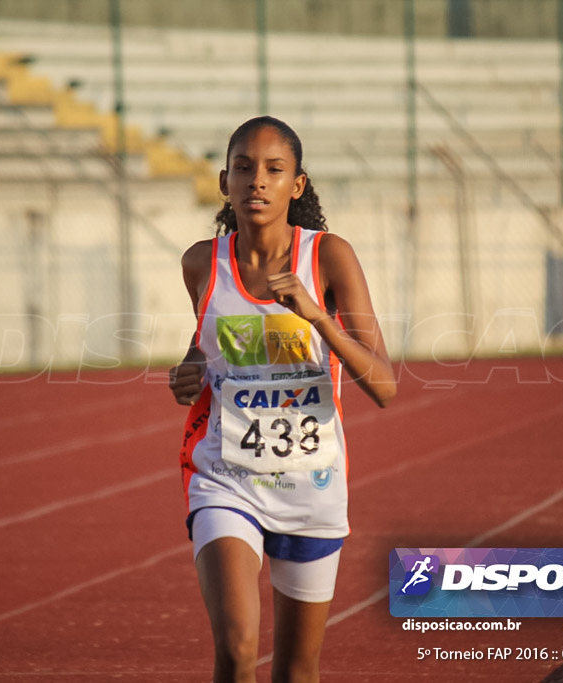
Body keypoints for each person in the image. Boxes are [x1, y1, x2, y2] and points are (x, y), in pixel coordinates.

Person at [168, 116, 396, 682]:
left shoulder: (328, 258)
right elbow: (207, 347)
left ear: (297, 185)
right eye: (243, 168)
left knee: (297, 671)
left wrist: (317, 315)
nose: (257, 182)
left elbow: (384, 385)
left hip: (311, 487)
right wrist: (189, 370)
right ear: (224, 181)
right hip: (226, 478)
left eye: (274, 170)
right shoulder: (202, 262)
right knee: (239, 647)